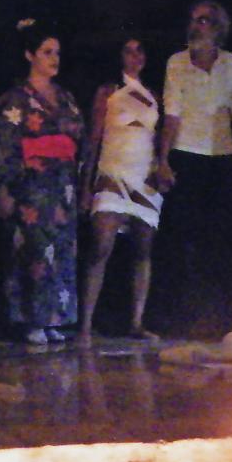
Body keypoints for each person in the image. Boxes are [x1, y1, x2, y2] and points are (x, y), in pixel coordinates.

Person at [153, 0, 232, 338]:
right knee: (184, 238)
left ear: (218, 28)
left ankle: (221, 320)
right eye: (193, 20)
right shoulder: (177, 62)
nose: (195, 26)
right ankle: (182, 319)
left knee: (221, 239)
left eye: (203, 20)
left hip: (222, 156)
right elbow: (172, 114)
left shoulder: (230, 63)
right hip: (186, 154)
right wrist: (163, 159)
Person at [0, 21, 85, 344]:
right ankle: (33, 320)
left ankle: (55, 318)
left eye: (57, 53)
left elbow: (78, 138)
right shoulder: (15, 99)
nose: (54, 59)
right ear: (30, 55)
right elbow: (3, 144)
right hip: (32, 186)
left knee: (62, 251)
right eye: (46, 52)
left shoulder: (65, 97)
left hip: (63, 187)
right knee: (35, 251)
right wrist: (5, 187)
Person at [77, 33, 165, 344]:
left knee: (143, 250)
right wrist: (86, 185)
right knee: (101, 246)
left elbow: (158, 138)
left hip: (144, 177)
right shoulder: (108, 91)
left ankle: (136, 322)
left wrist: (161, 168)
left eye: (140, 51)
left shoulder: (154, 95)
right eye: (129, 51)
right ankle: (85, 324)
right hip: (112, 173)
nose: (135, 57)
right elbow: (93, 140)